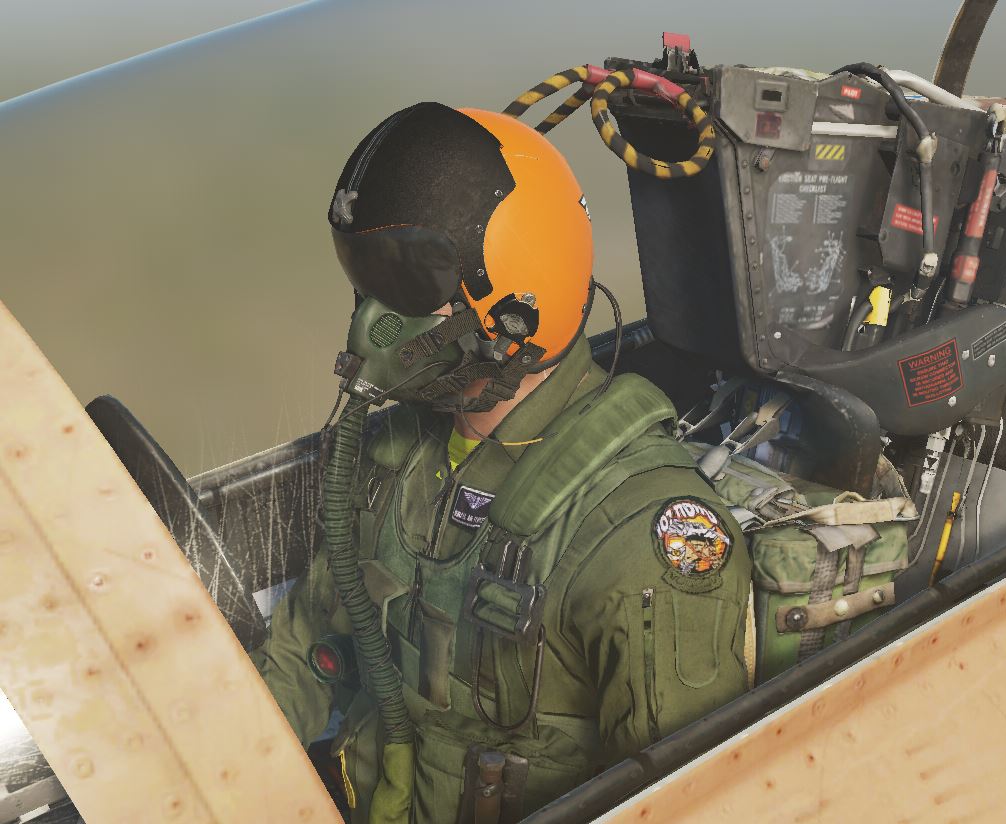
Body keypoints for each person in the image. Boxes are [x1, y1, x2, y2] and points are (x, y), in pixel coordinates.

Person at [250, 101, 751, 823]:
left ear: (519, 297)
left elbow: (688, 802)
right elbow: (300, 657)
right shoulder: (390, 458)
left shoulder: (634, 536)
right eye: (368, 279)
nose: (372, 325)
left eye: (408, 286)